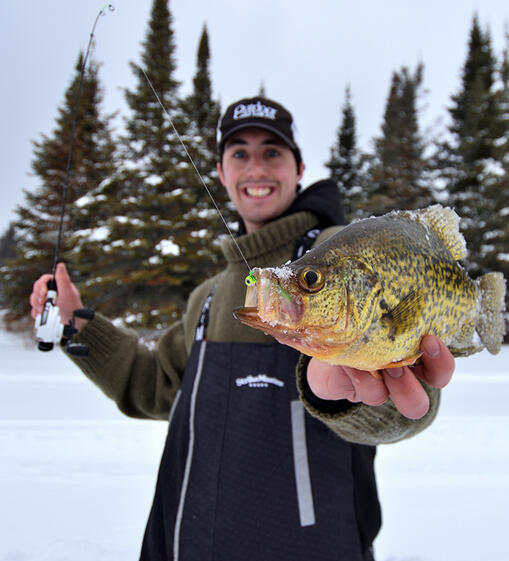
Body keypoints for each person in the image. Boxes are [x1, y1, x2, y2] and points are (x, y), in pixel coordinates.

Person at [29, 96, 455, 561]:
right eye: (240, 153)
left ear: (299, 168)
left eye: (272, 152)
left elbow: (406, 402)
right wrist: (79, 327)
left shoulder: (342, 255)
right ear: (220, 173)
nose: (256, 167)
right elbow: (157, 388)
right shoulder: (208, 298)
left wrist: (356, 398)